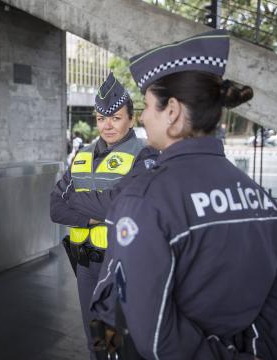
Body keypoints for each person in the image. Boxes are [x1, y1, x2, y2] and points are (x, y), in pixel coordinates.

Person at [91, 29, 277, 359]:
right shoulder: (259, 197)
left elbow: (154, 334)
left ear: (173, 111)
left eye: (147, 106)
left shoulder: (146, 200)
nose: (144, 116)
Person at [50, 72, 151, 360]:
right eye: (101, 118)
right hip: (86, 264)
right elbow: (55, 207)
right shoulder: (81, 154)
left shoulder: (144, 154)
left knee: (125, 342)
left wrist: (79, 201)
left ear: (131, 119)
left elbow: (119, 206)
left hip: (124, 264)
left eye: (116, 118)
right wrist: (96, 215)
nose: (107, 126)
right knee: (95, 340)